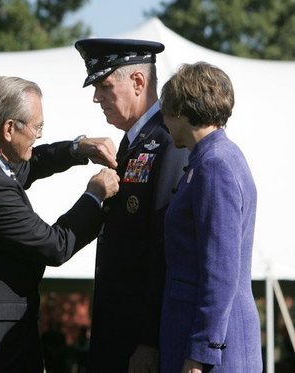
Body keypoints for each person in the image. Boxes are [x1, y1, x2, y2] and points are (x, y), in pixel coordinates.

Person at [0, 76, 120, 372]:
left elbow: (26, 164)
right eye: (37, 127)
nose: (39, 135)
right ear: (9, 129)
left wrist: (76, 149)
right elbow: (55, 245)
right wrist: (95, 196)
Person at [74, 38, 189, 372]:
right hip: (117, 329)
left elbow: (163, 249)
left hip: (139, 337)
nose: (97, 98)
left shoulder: (168, 141)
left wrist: (149, 340)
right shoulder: (132, 143)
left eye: (105, 86)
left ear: (138, 82)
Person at [159, 61, 262, 372]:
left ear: (180, 109)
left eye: (165, 111)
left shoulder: (215, 164)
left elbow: (221, 268)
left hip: (214, 350)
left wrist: (204, 348)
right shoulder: (214, 159)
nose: (163, 121)